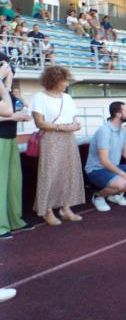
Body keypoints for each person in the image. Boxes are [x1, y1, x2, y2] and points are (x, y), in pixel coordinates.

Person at [30, 66, 85, 226]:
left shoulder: (67, 98)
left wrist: (75, 124)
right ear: (55, 81)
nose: (66, 83)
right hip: (51, 139)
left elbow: (73, 117)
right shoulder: (39, 97)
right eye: (64, 80)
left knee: (68, 172)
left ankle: (65, 208)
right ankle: (47, 210)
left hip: (68, 138)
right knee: (49, 174)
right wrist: (62, 127)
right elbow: (39, 122)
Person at [86, 102, 126, 212]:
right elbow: (104, 161)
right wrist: (124, 174)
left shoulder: (123, 129)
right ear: (119, 115)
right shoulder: (104, 131)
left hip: (113, 166)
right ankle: (98, 197)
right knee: (122, 182)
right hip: (96, 169)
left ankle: (115, 195)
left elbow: (125, 152)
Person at [0, 62, 33, 239]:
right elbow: (8, 113)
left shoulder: (6, 89)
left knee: (13, 182)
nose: (9, 70)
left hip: (10, 138)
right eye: (6, 67)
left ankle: (14, 219)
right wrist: (14, 116)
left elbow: (17, 107)